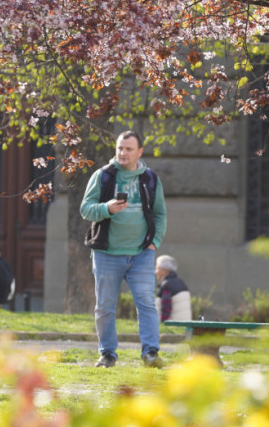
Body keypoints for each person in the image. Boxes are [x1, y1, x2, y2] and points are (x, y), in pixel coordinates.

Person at [80, 131, 167, 368]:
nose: (122, 153)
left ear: (140, 152)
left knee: (146, 303)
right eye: (119, 148)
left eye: (128, 149)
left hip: (141, 254)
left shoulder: (150, 179)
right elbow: (85, 209)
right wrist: (106, 208)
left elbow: (160, 214)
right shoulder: (103, 177)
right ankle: (107, 354)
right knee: (105, 306)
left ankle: (150, 353)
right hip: (107, 254)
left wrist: (153, 243)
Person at [155, 255, 192, 322]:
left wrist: (163, 323)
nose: (155, 272)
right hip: (184, 327)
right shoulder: (180, 282)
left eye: (157, 268)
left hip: (173, 328)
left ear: (164, 270)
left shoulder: (167, 285)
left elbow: (166, 307)